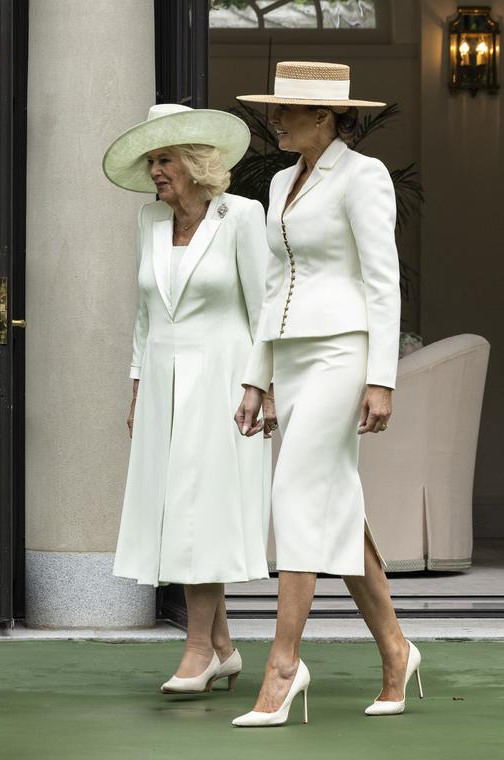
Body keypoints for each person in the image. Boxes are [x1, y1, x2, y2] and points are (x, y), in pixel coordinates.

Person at [232, 62, 422, 728]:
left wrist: (381, 378)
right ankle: (397, 650)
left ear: (326, 118)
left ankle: (284, 663)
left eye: (286, 112)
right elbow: (270, 288)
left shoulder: (363, 176)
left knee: (296, 493)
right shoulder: (283, 181)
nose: (274, 121)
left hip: (344, 352)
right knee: (332, 507)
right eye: (275, 110)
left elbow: (382, 281)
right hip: (292, 359)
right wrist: (257, 379)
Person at [103, 104, 272, 694]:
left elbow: (265, 307)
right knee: (175, 509)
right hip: (161, 382)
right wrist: (137, 387)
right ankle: (223, 647)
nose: (155, 170)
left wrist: (261, 384)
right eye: (151, 160)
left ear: (197, 162)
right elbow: (146, 314)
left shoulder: (243, 217)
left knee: (201, 510)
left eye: (164, 158)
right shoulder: (150, 221)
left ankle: (198, 649)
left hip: (224, 382)